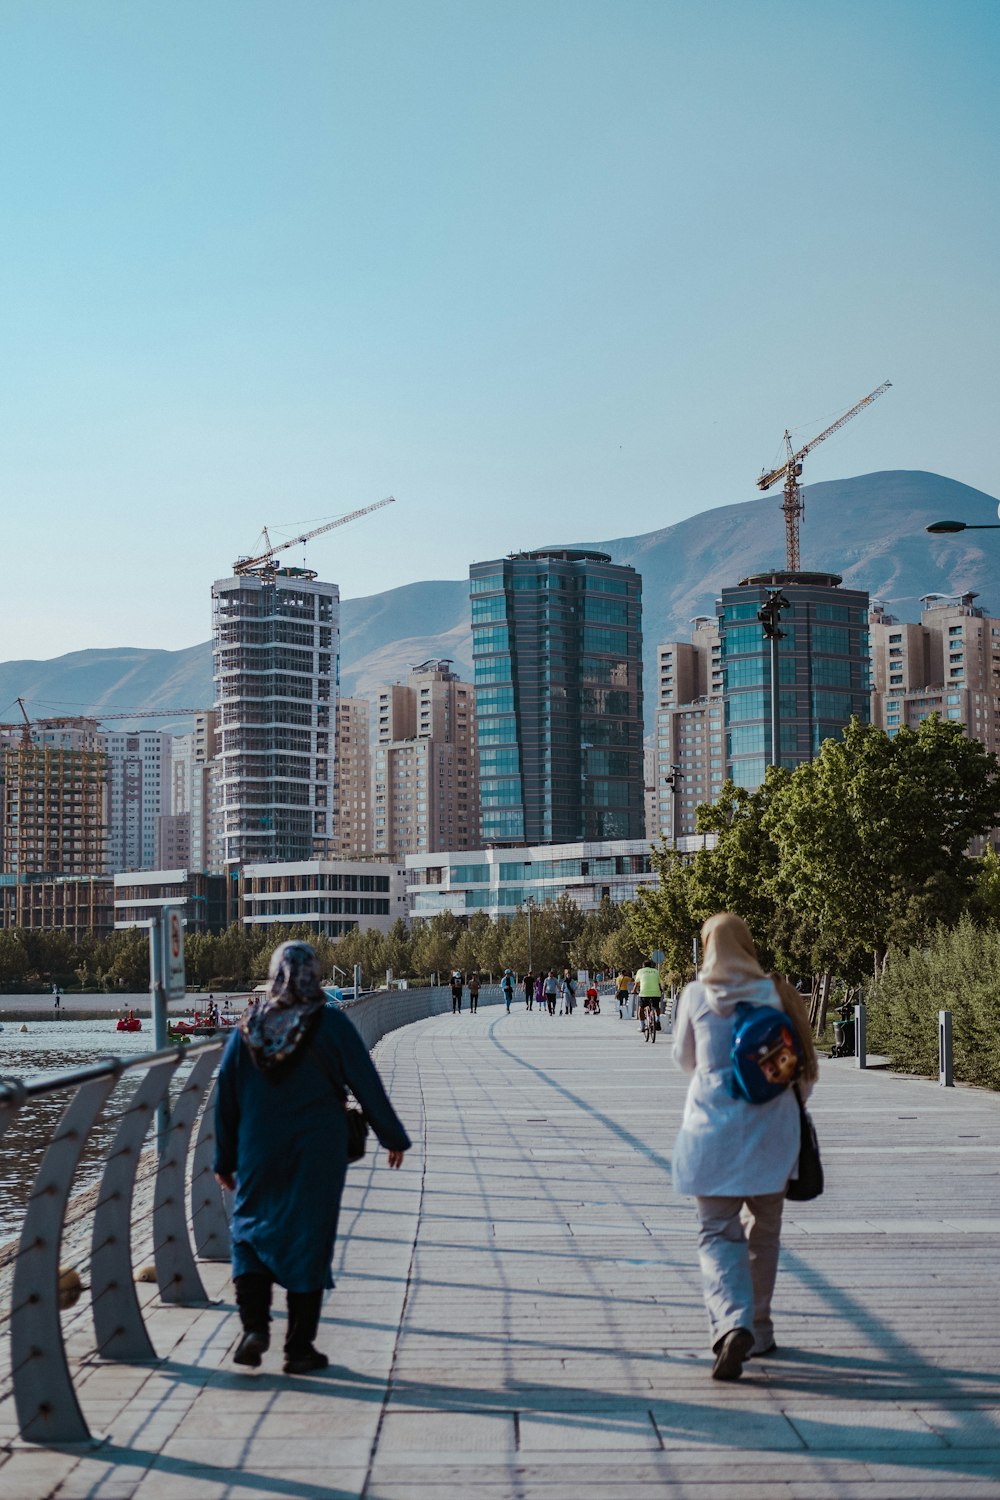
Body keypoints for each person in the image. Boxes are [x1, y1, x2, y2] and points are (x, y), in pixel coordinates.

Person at [214, 941, 410, 1374]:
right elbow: (365, 1080)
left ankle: (254, 1328)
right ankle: (299, 1348)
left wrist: (223, 1159)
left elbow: (226, 1097)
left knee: (249, 1231)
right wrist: (391, 1136)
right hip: (317, 1151)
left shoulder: (248, 1028)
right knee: (310, 1236)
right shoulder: (331, 1026)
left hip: (257, 1147)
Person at [671, 913, 818, 1382]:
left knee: (717, 1231)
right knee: (765, 1231)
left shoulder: (695, 996)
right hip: (772, 1136)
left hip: (711, 1134)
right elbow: (804, 1069)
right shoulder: (777, 993)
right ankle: (759, 1326)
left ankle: (731, 1322)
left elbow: (684, 1060)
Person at [633, 959, 663, 1040]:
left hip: (644, 993)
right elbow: (659, 983)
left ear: (643, 966)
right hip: (656, 993)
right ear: (651, 966)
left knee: (641, 1008)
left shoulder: (640, 971)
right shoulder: (656, 971)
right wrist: (661, 990)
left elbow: (636, 983)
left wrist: (634, 990)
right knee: (656, 1007)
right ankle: (657, 1020)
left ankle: (642, 1026)